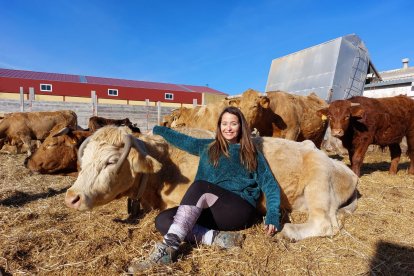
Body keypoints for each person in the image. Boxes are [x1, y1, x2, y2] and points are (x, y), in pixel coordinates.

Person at [128, 106, 281, 272]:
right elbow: (184, 140)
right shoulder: (208, 147)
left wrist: (273, 214)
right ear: (219, 126)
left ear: (241, 126)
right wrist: (159, 130)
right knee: (163, 220)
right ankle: (217, 238)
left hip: (238, 209)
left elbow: (270, 184)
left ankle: (167, 250)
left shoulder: (251, 152)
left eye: (233, 123)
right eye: (224, 123)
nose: (228, 128)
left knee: (200, 187)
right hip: (210, 211)